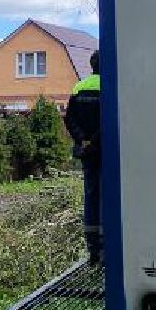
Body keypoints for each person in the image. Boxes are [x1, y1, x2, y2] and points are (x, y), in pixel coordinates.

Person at [63, 52, 103, 263]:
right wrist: (95, 140)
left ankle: (92, 249)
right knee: (107, 196)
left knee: (91, 195)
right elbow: (109, 120)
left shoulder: (79, 87)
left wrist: (83, 140)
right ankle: (106, 248)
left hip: (86, 152)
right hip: (105, 152)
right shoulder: (111, 86)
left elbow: (69, 119)